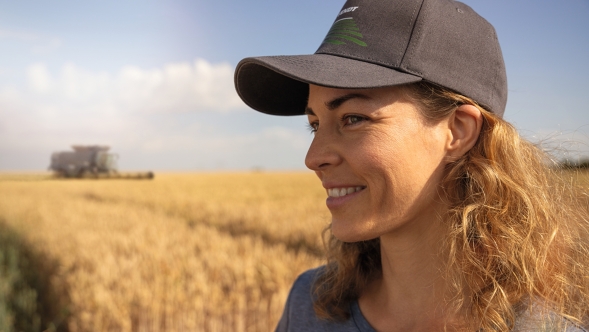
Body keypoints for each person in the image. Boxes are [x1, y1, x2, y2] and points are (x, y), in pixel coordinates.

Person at [234, 0, 589, 331]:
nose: (313, 158)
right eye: (314, 124)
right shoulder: (310, 307)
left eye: (353, 118)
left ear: (458, 131)